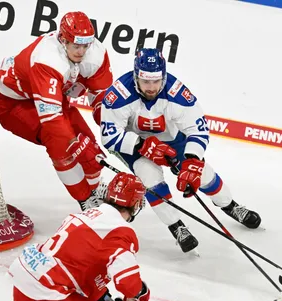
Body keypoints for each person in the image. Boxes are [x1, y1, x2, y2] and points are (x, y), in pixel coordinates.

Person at [99, 48, 261, 254]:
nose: (151, 87)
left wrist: (192, 160)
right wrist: (141, 145)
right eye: (145, 81)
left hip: (172, 139)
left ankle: (230, 205)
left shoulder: (176, 92)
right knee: (149, 180)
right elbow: (109, 137)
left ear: (163, 76)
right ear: (136, 76)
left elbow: (198, 129)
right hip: (134, 145)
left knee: (201, 173)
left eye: (156, 81)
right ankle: (177, 227)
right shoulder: (118, 94)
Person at [9, 172, 150, 301]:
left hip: (24, 292)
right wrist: (140, 294)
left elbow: (79, 267)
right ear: (135, 204)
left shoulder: (87, 215)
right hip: (48, 298)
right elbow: (129, 284)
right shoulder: (119, 231)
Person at [0, 11, 113, 211]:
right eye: (76, 46)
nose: (81, 51)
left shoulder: (96, 53)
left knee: (88, 142)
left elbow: (102, 97)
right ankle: (84, 199)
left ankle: (96, 189)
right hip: (12, 102)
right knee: (59, 143)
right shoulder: (47, 59)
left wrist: (110, 127)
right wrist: (75, 145)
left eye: (85, 45)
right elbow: (52, 119)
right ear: (63, 39)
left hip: (49, 96)